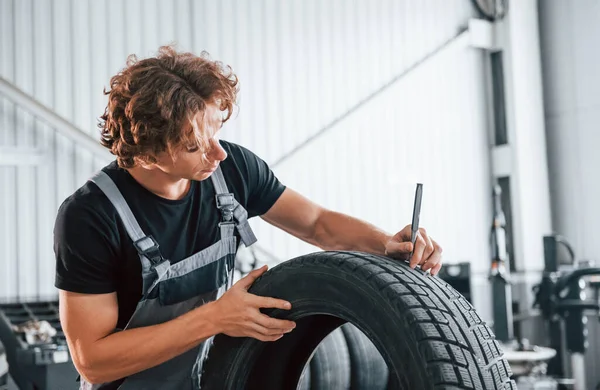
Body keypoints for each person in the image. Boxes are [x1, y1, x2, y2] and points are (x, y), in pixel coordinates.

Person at [54, 45, 443, 389]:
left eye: (217, 131)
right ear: (147, 155)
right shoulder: (90, 217)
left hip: (216, 377)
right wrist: (214, 319)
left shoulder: (233, 169)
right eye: (194, 145)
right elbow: (93, 361)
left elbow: (316, 223)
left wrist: (386, 244)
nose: (218, 153)